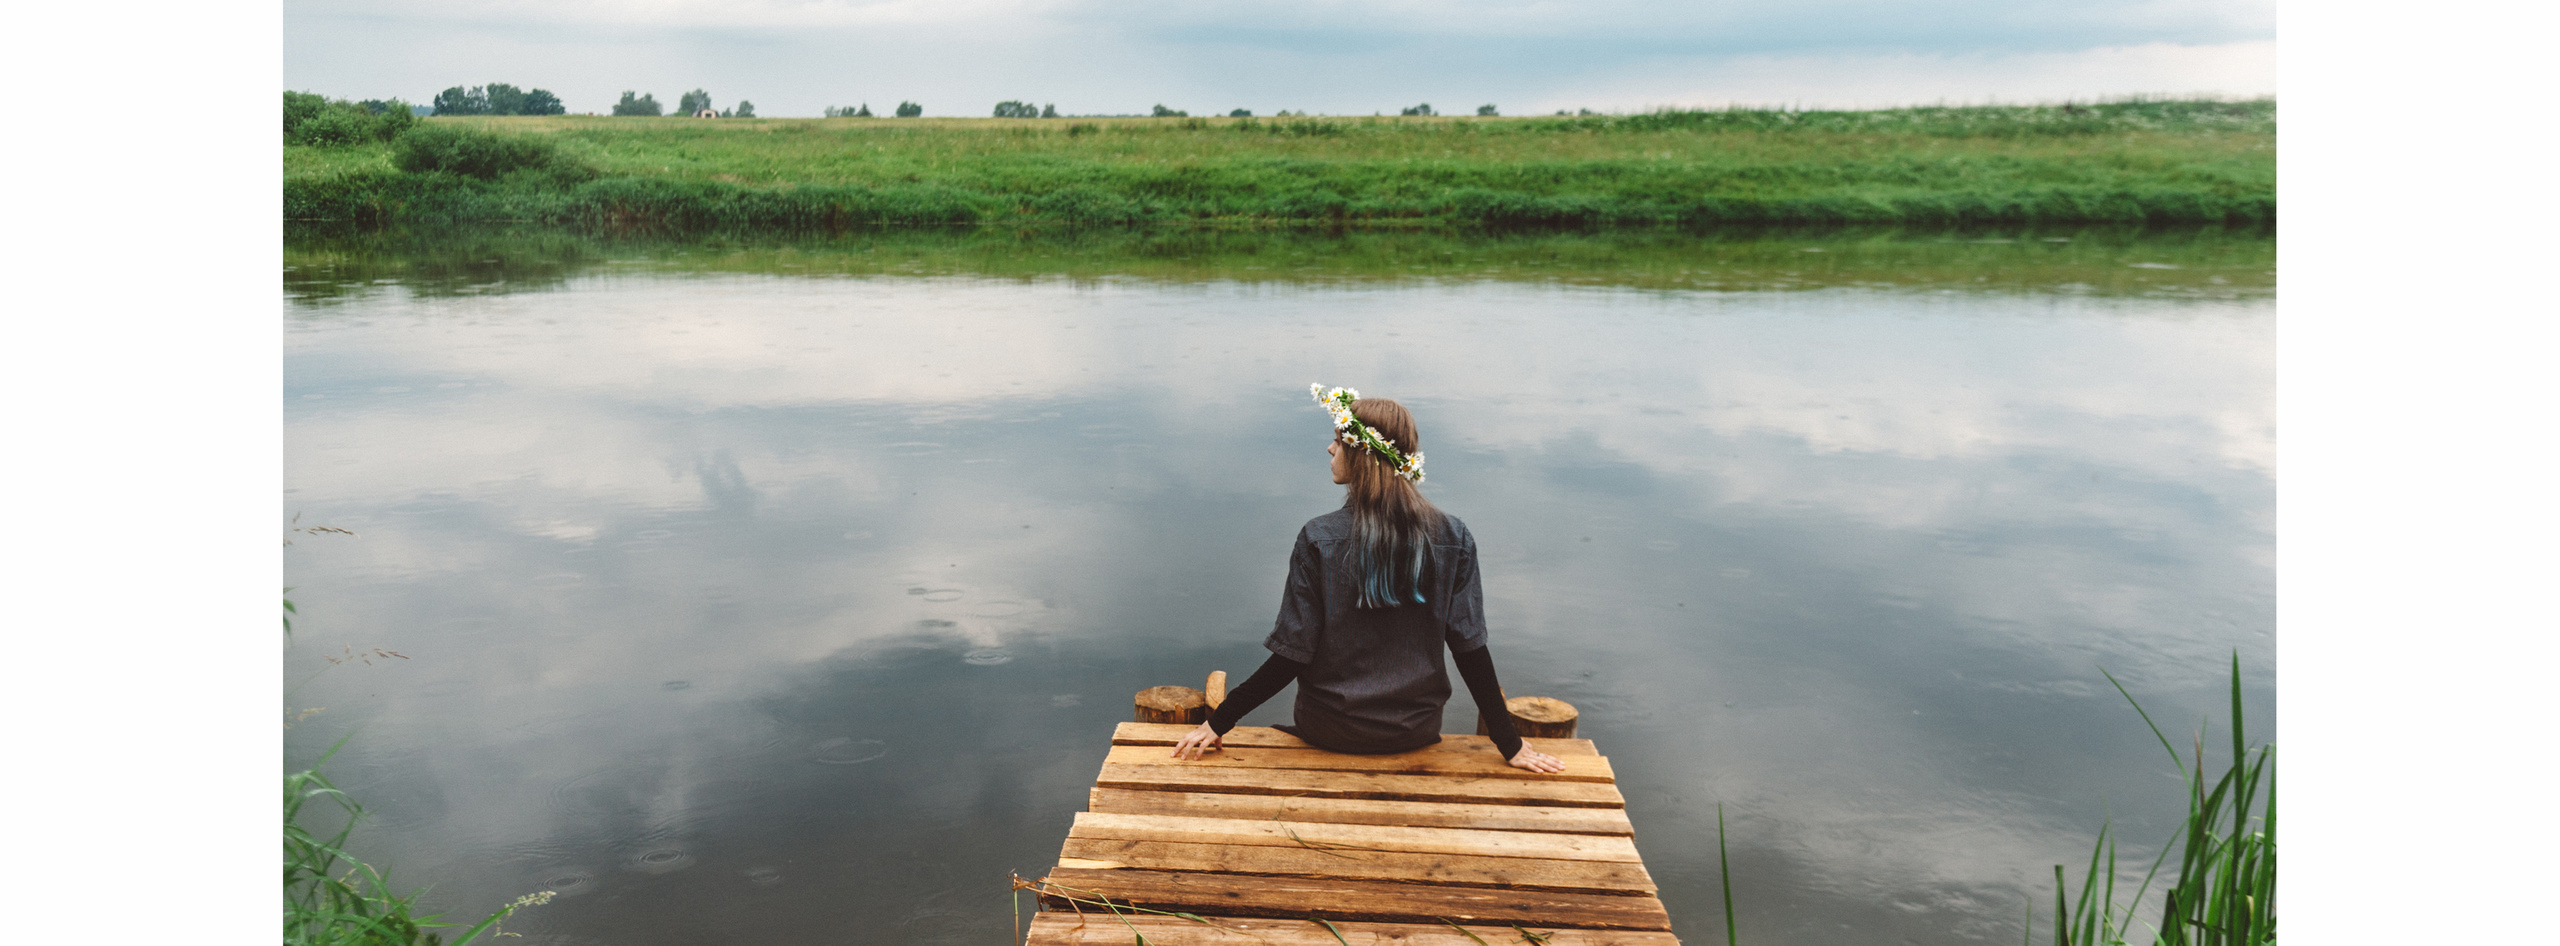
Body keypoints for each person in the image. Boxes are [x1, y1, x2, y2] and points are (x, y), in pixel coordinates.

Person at [1168, 386, 1566, 774]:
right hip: (1414, 730)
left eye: (1338, 441)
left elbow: (1292, 654)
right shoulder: (1453, 537)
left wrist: (1220, 720)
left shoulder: (1319, 538)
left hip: (1330, 729)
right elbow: (1470, 648)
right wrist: (1508, 743)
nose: (1330, 449)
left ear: (1360, 454)